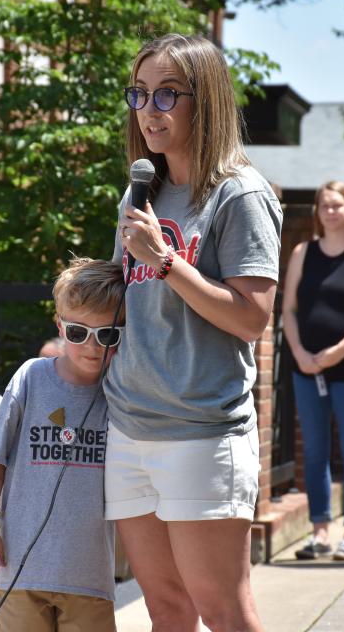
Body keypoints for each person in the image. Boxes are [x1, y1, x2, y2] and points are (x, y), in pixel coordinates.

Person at [107, 34, 282, 632]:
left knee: (225, 611)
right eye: (139, 94)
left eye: (166, 95)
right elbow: (134, 302)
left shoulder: (241, 194)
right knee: (166, 610)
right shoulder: (142, 191)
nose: (148, 110)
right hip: (130, 425)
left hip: (202, 430)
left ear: (202, 101)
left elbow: (251, 318)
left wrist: (165, 259)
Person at [0, 258, 124, 632]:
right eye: (77, 333)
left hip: (89, 573)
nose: (91, 347)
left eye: (107, 334)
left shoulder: (123, 389)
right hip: (21, 570)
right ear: (60, 326)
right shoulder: (31, 377)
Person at [281, 181, 344, 561]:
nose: (331, 211)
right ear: (317, 212)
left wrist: (338, 351)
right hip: (306, 368)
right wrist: (301, 353)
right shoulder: (304, 251)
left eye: (337, 205)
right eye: (324, 206)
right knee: (315, 452)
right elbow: (287, 309)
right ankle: (320, 530)